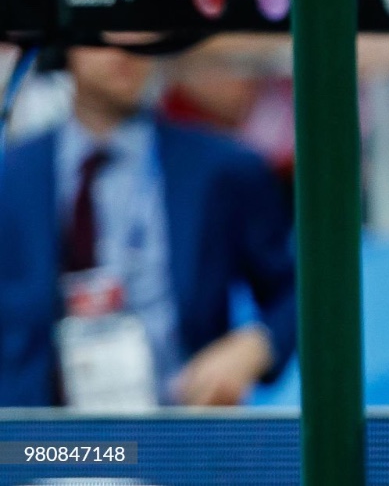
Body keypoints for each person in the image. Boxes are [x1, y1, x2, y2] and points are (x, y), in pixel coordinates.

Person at [0, 44, 296, 407]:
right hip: (42, 447)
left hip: (179, 434)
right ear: (66, 39)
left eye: (140, 26)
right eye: (104, 28)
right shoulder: (12, 179)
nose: (125, 47)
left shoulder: (222, 170)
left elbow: (298, 292)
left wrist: (255, 346)